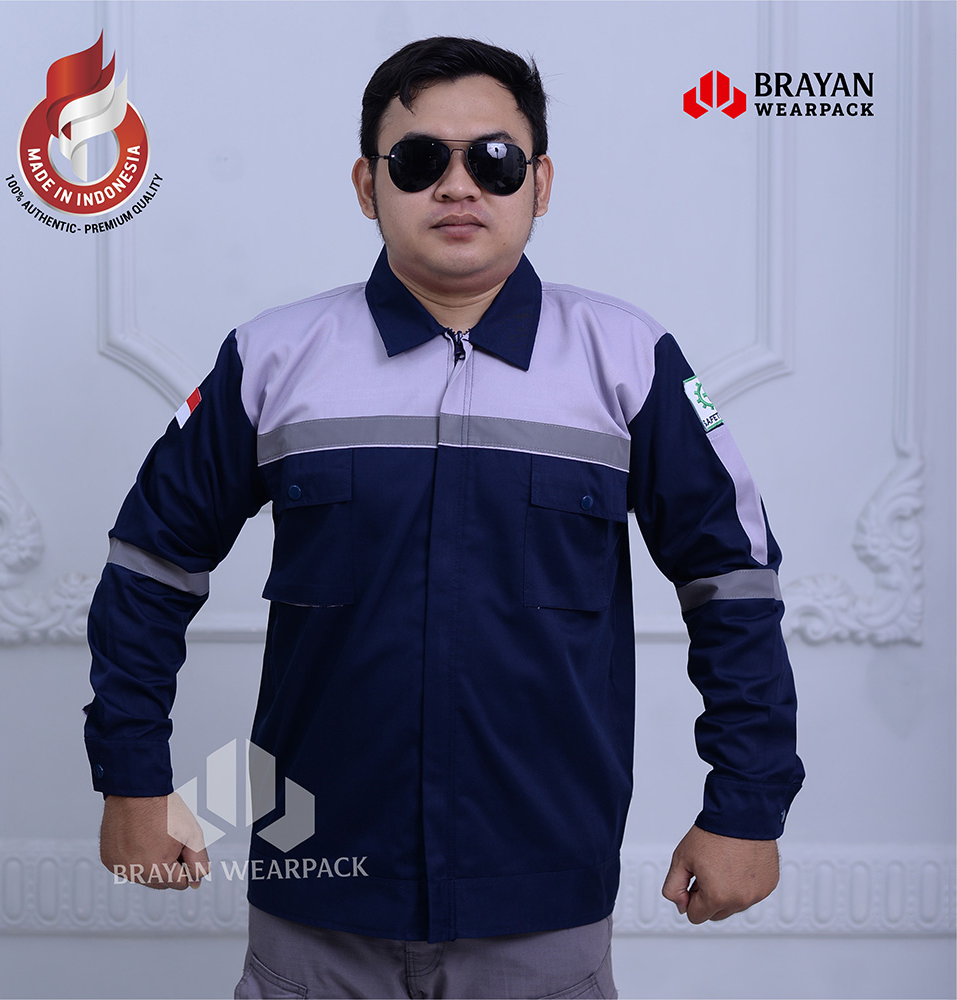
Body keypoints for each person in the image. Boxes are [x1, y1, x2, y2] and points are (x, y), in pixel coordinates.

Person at [86, 36, 805, 1000]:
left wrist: (748, 805)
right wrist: (132, 778)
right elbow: (148, 569)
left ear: (540, 183)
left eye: (495, 159)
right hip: (316, 883)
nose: (458, 186)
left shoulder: (629, 360)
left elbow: (734, 585)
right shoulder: (272, 358)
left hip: (544, 891)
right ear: (367, 184)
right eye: (420, 158)